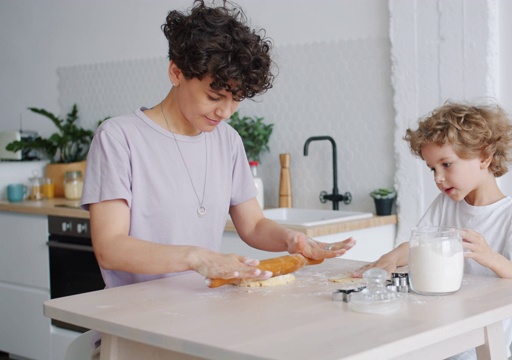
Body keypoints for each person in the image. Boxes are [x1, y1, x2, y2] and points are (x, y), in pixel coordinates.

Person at [81, 0, 356, 291]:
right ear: (176, 73)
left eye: (236, 99)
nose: (225, 112)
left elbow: (253, 226)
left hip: (202, 309)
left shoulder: (227, 140)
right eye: (214, 97)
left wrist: (292, 240)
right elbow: (110, 248)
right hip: (132, 318)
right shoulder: (119, 138)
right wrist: (196, 257)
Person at [353, 100, 512, 359]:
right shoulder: (445, 204)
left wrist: (492, 258)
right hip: (443, 335)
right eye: (433, 168)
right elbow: (418, 244)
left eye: (447, 164)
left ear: (484, 157)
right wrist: (390, 259)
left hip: (481, 345)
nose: (437, 178)